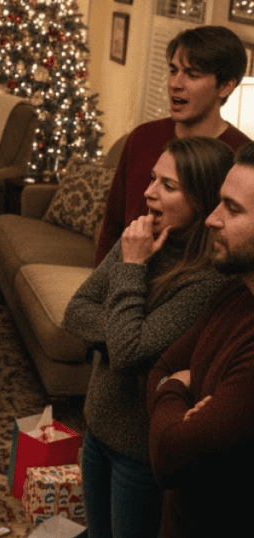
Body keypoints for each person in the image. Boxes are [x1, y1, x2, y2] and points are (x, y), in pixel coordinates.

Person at [64, 136, 233, 538]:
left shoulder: (207, 280)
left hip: (138, 451)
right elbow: (76, 310)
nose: (148, 192)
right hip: (97, 425)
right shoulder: (138, 237)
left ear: (204, 200)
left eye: (167, 186)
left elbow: (125, 352)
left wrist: (133, 267)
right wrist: (129, 332)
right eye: (154, 178)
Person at [146, 142, 254, 538]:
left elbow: (171, 457)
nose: (211, 219)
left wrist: (173, 388)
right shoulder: (232, 293)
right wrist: (179, 389)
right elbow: (159, 366)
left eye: (233, 208)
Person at [96, 25, 252, 265]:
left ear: (225, 87)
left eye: (192, 75)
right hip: (123, 276)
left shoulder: (240, 158)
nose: (175, 84)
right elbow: (113, 226)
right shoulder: (142, 138)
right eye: (173, 70)